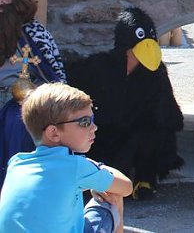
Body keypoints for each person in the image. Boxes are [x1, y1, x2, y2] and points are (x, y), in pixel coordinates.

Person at [66, 7, 184, 201]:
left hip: (135, 135)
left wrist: (161, 120)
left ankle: (145, 179)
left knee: (152, 135)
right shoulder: (101, 66)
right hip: (102, 131)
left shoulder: (155, 73)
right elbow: (71, 79)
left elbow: (169, 113)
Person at [0, 82, 133, 232]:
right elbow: (126, 187)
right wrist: (96, 169)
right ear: (54, 133)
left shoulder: (17, 163)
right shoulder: (75, 166)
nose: (94, 127)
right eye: (85, 122)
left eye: (92, 119)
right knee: (113, 196)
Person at [0, 0, 67, 186]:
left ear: (17, 2)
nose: (2, 6)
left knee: (18, 126)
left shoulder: (36, 33)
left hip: (24, 108)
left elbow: (56, 76)